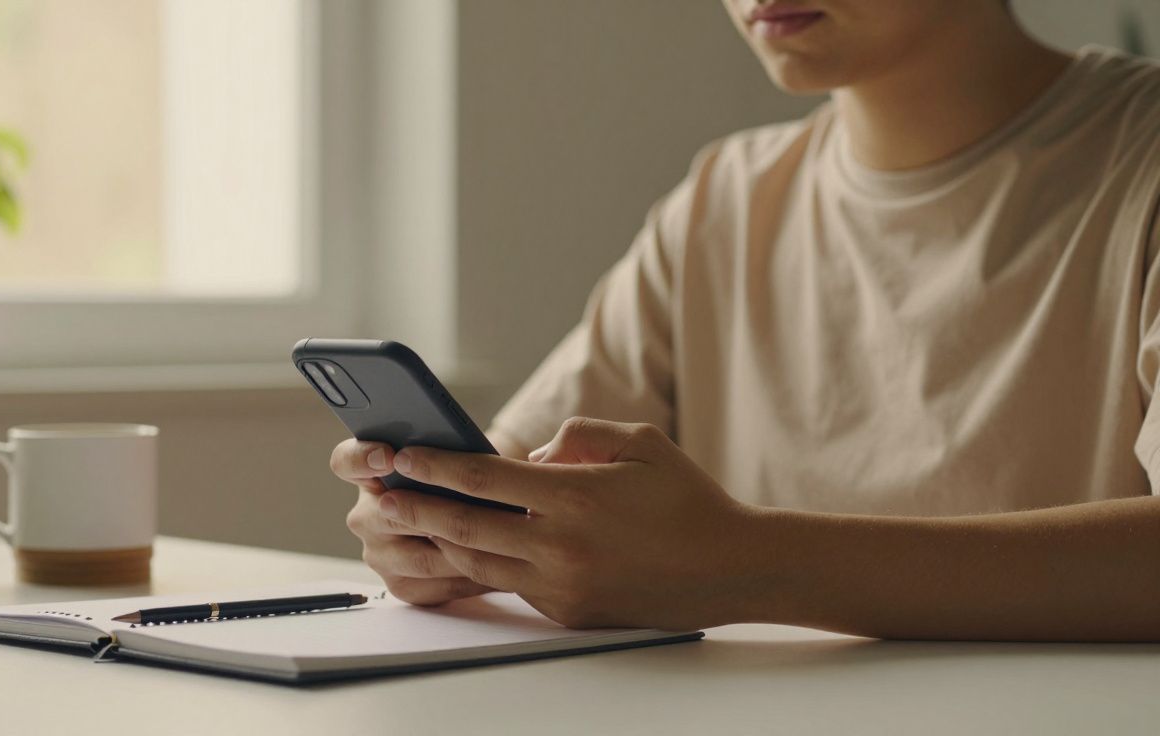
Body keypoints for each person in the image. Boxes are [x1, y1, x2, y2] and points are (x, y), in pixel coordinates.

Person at [331, 0, 1160, 640]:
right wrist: (437, 526)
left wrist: (746, 566)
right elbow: (524, 468)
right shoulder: (723, 201)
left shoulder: (1139, 162)